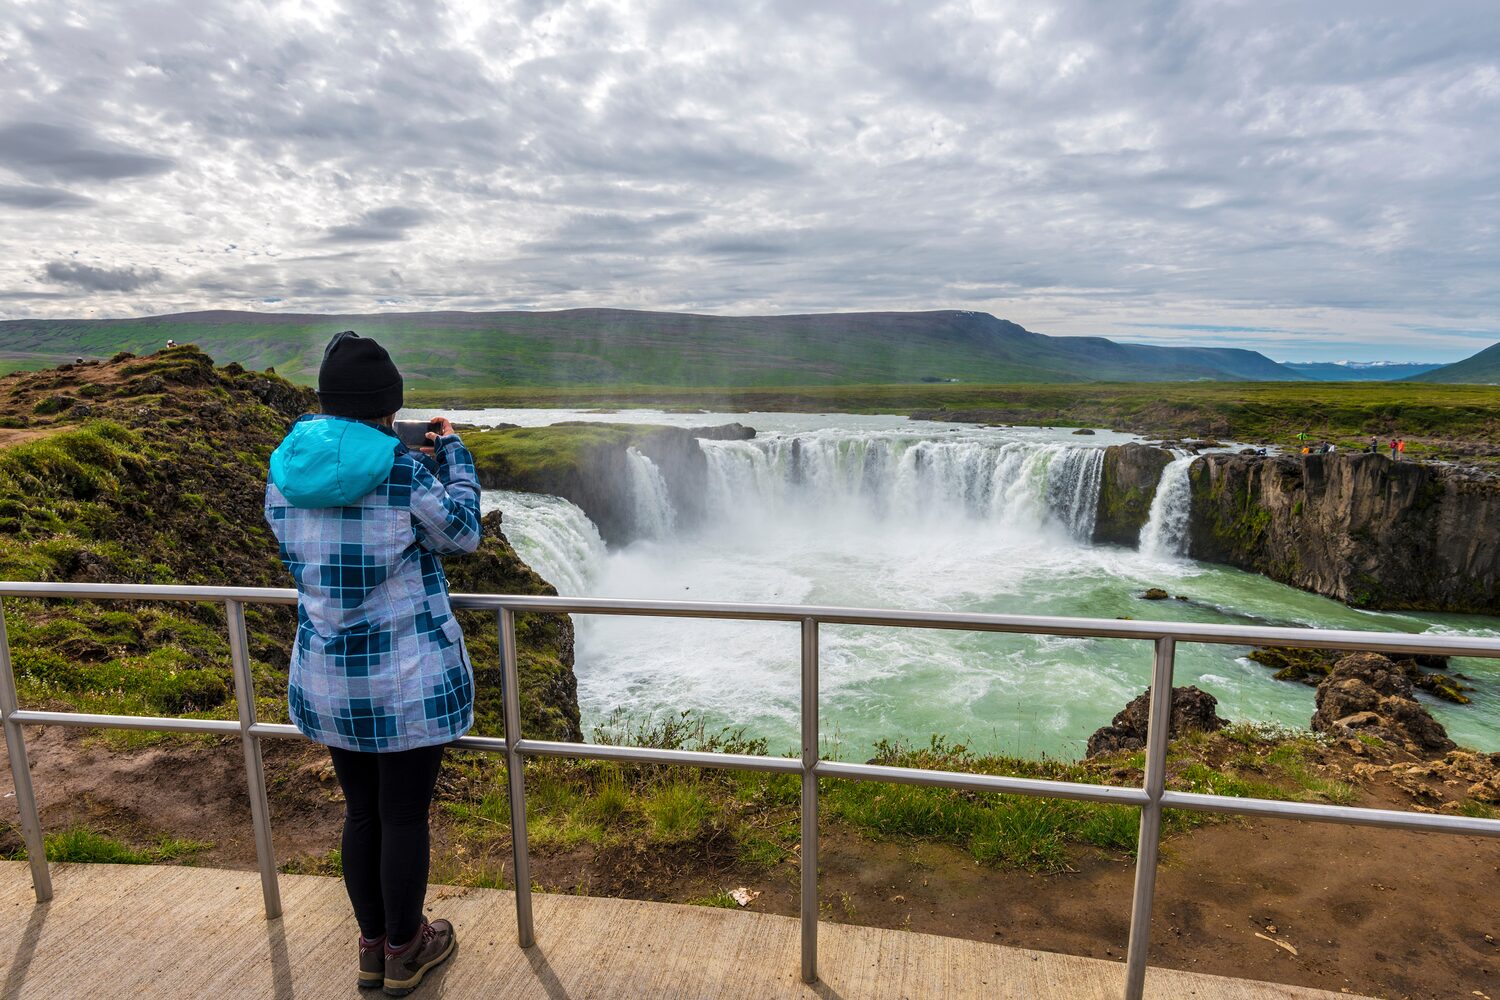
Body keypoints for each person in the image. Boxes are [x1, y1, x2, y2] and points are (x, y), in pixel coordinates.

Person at [264, 331, 481, 995]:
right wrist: (453, 457)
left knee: (361, 813)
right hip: (404, 681)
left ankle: (372, 948)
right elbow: (463, 532)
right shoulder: (402, 469)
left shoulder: (285, 473)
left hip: (329, 676)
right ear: (389, 407)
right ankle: (408, 949)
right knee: (403, 815)